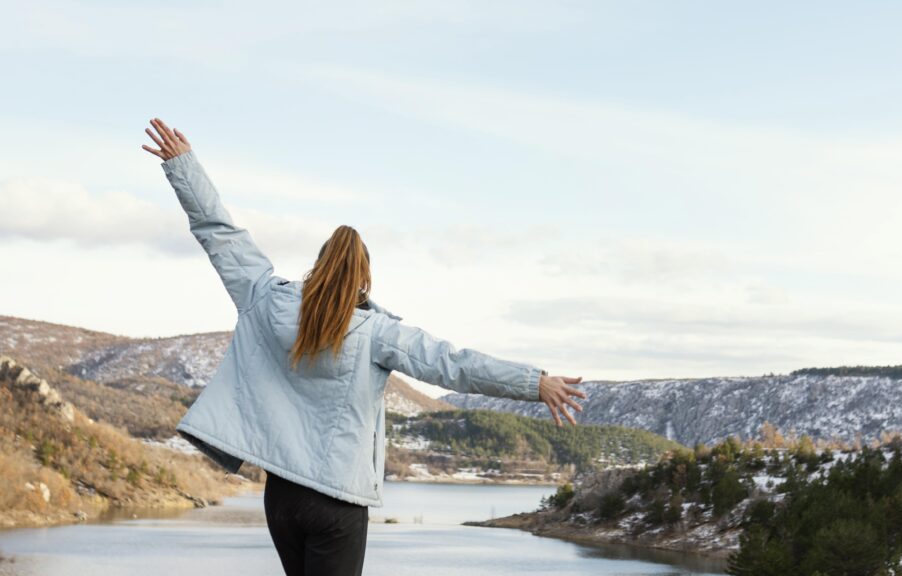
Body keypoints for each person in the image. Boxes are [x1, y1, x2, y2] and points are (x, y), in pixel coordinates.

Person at [141, 117, 587, 576]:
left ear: (317, 266)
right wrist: (534, 383)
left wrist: (184, 166)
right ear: (365, 279)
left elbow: (219, 232)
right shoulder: (378, 332)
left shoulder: (264, 297)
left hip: (282, 496)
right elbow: (454, 365)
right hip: (336, 501)